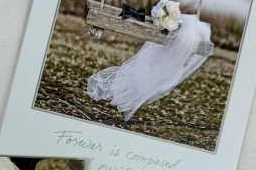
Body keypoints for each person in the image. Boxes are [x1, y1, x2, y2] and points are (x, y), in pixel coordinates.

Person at [86, 10, 214, 121]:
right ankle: (130, 90)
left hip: (172, 25)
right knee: (149, 67)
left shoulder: (184, 27)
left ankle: (131, 90)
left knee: (151, 67)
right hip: (170, 23)